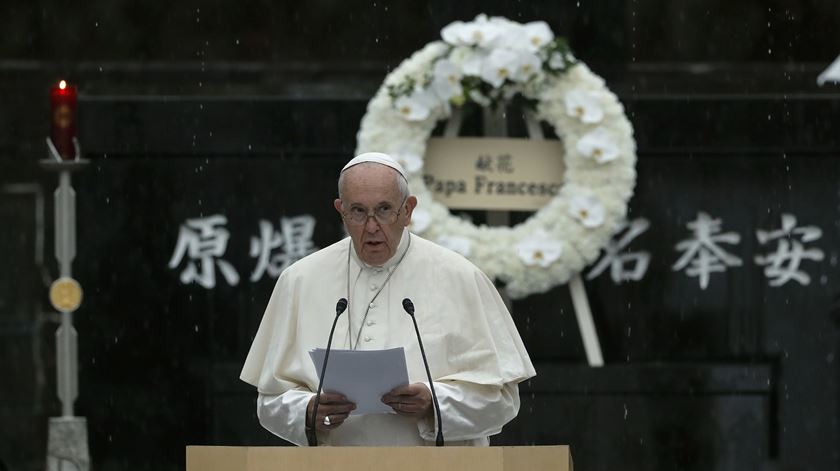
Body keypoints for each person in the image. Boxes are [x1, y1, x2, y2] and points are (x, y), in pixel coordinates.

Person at [240, 152, 535, 446]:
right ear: (340, 210)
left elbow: (503, 401)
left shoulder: (461, 277)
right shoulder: (300, 280)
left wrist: (434, 403)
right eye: (357, 211)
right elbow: (269, 402)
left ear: (408, 210)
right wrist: (305, 412)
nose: (371, 227)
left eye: (384, 210)